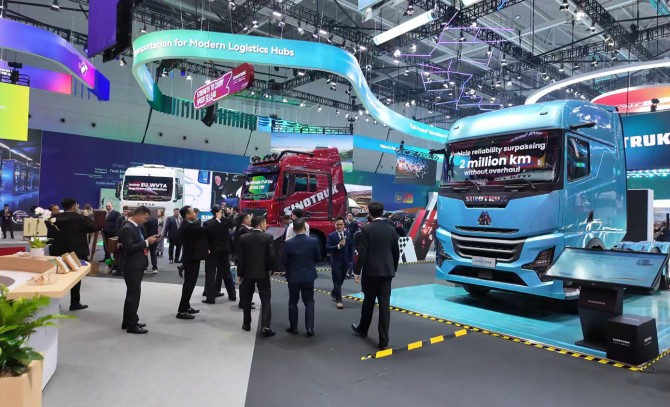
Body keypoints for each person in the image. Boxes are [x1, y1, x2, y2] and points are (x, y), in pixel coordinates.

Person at [352, 201, 400, 351]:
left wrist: (357, 271)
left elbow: (362, 252)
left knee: (368, 302)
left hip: (371, 272)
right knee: (385, 307)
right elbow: (396, 252)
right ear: (382, 212)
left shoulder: (366, 229)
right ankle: (384, 340)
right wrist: (393, 269)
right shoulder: (391, 229)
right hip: (387, 273)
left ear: (370, 213)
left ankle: (363, 329)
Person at [47, 198, 99, 311]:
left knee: (57, 276)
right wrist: (86, 216)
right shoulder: (80, 218)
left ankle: (54, 303)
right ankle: (74, 303)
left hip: (57, 252)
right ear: (74, 206)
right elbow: (94, 228)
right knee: (76, 277)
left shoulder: (53, 219)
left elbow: (49, 235)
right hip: (76, 253)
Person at [118, 206, 159, 334]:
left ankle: (128, 321)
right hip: (132, 266)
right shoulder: (127, 228)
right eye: (145, 218)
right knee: (134, 295)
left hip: (136, 264)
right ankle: (132, 324)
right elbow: (129, 247)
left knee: (132, 294)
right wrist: (146, 242)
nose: (145, 221)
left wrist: (148, 241)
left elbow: (137, 242)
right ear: (138, 215)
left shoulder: (135, 227)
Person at [237, 215, 277, 337]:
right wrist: (271, 269)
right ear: (260, 224)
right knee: (265, 300)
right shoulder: (268, 237)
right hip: (263, 274)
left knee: (246, 300)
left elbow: (240, 258)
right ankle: (265, 327)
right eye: (265, 223)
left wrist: (240, 273)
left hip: (247, 274)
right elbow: (272, 256)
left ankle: (246, 324)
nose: (266, 225)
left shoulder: (243, 238)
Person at [281, 218, 320, 337]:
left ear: (293, 229)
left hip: (293, 276)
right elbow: (318, 258)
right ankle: (309, 328)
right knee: (309, 301)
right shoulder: (314, 241)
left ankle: (293, 327)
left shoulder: (288, 243)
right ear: (305, 227)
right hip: (308, 276)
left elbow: (283, 261)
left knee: (293, 301)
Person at [176, 205, 208, 320]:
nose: (195, 213)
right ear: (187, 215)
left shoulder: (187, 224)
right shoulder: (189, 226)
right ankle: (182, 310)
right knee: (189, 285)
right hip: (191, 259)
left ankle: (186, 306)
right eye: (193, 212)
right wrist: (216, 219)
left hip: (190, 258)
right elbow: (205, 230)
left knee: (188, 284)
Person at [202, 205, 235, 304]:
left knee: (211, 274)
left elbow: (205, 238)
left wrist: (206, 249)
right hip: (222, 251)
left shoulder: (208, 223)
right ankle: (232, 295)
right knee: (226, 274)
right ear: (217, 212)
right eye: (221, 210)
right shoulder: (225, 221)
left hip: (213, 252)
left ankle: (210, 298)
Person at [326, 217, 354, 309]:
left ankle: (334, 292)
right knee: (337, 281)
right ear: (335, 225)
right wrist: (338, 246)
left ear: (344, 225)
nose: (339, 226)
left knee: (341, 280)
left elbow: (351, 247)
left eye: (341, 224)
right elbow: (327, 248)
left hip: (346, 262)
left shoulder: (348, 234)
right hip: (335, 262)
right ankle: (339, 300)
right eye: (337, 224)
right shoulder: (331, 236)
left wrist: (351, 260)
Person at [234, 212, 255, 310]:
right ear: (245, 220)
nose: (251, 220)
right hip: (245, 259)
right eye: (249, 218)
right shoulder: (244, 230)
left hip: (243, 258)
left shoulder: (241, 229)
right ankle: (244, 301)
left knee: (245, 281)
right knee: (245, 282)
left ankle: (245, 300)